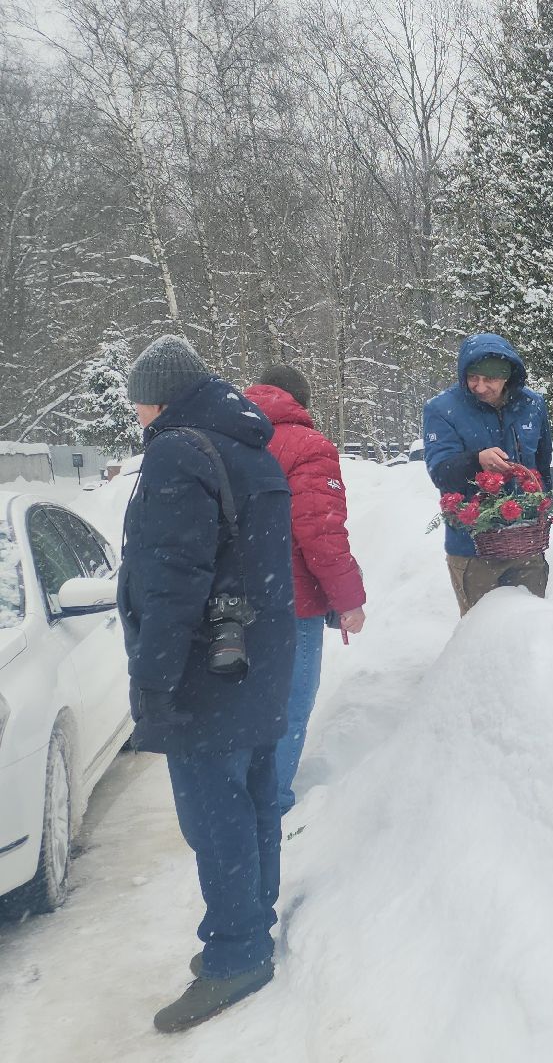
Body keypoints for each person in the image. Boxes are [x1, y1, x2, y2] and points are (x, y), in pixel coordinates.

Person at [117, 335, 295, 1032]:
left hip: (204, 673)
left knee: (214, 818)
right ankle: (251, 923)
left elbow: (172, 582)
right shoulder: (251, 446)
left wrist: (153, 682)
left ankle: (236, 955)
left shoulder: (177, 451)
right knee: (252, 801)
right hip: (256, 660)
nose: (137, 417)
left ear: (157, 399)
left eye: (138, 404)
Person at [243, 365, 367, 816]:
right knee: (290, 703)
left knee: (243, 705)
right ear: (301, 401)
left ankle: (237, 800)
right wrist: (349, 600)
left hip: (233, 601)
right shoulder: (308, 446)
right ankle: (270, 805)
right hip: (290, 602)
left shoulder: (229, 437)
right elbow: (321, 533)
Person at [422, 333, 553, 615]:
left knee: (531, 628)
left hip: (526, 543)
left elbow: (542, 466)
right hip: (473, 549)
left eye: (490, 379)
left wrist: (544, 508)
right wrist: (476, 460)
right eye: (473, 377)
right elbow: (440, 473)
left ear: (508, 377)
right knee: (481, 633)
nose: (480, 387)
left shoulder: (532, 405)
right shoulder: (442, 409)